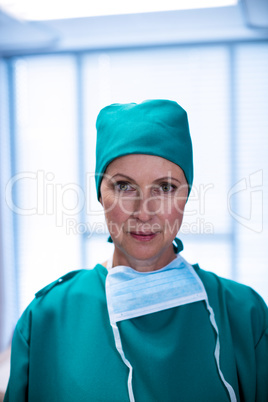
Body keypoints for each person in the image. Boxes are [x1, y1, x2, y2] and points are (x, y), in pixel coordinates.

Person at [4, 100, 268, 402]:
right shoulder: (47, 319)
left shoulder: (244, 314)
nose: (144, 212)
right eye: (124, 187)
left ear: (187, 195)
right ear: (100, 195)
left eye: (165, 188)